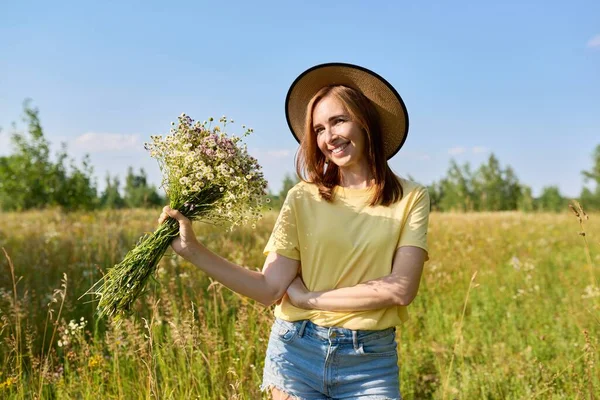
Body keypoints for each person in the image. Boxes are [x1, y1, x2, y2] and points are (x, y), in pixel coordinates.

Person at [158, 62, 430, 400]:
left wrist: (309, 298)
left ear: (365, 121)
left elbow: (400, 289)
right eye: (318, 129)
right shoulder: (302, 197)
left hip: (369, 362)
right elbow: (270, 287)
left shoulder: (410, 198)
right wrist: (192, 250)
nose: (328, 137)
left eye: (338, 121)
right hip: (297, 351)